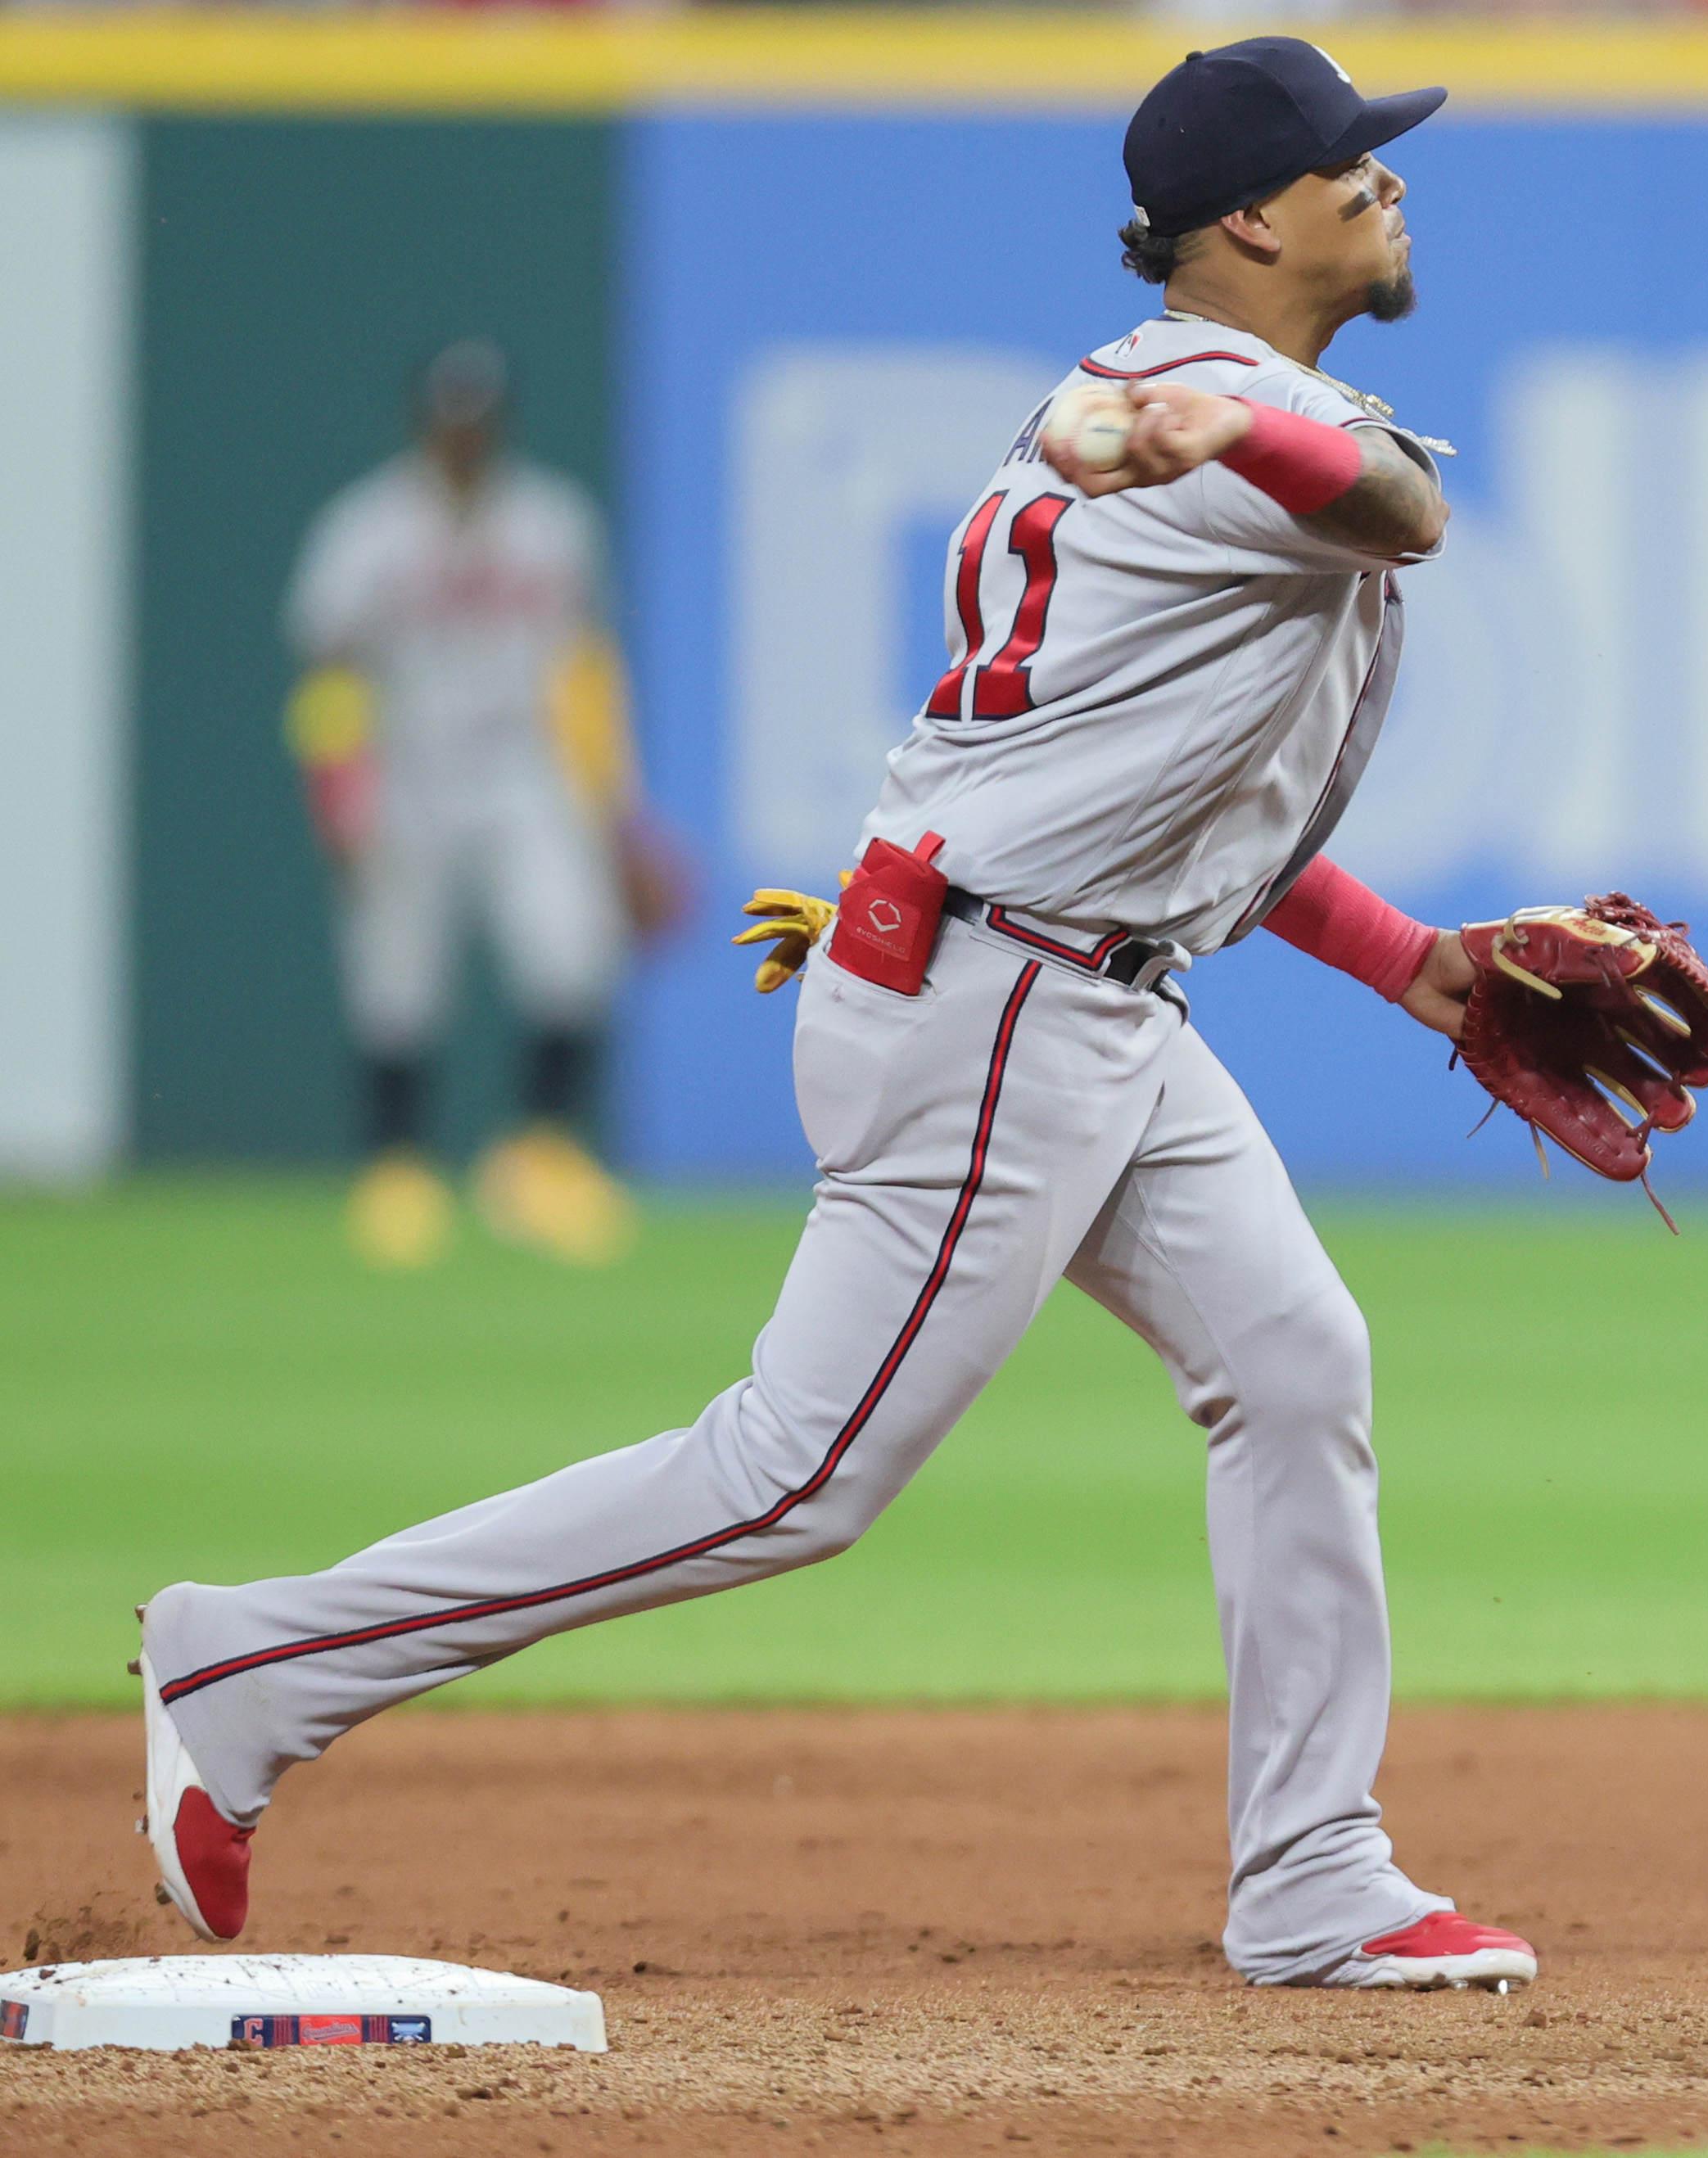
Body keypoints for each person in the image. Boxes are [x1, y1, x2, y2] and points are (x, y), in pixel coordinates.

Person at [140, 38, 1560, 1993]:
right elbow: (1404, 510)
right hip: (1001, 1001)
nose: (1390, 185)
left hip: (1068, 980)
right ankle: (255, 1659)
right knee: (794, 1471)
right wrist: (1227, 438)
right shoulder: (1210, 397)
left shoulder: (1191, 407)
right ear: (1250, 218)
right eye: (1351, 166)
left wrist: (1417, 965)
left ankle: (1314, 1867)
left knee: (1299, 1360)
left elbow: (1172, 797)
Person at [285, 337, 674, 1271]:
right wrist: (337, 787)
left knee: (570, 948)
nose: (464, 434)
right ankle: (396, 1171)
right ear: (423, 422)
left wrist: (617, 809)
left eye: (479, 418)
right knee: (396, 970)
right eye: (449, 417)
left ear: (498, 424)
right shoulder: (367, 528)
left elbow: (583, 672)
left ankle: (539, 1157)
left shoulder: (551, 521)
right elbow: (329, 667)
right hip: (408, 763)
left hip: (523, 766)